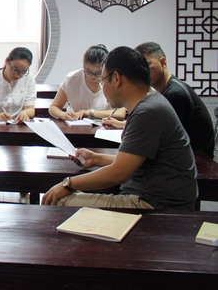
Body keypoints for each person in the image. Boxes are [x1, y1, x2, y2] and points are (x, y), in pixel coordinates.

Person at [42, 46, 198, 210]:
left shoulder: (147, 112)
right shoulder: (150, 103)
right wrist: (97, 158)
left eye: (103, 80)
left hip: (155, 204)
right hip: (152, 196)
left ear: (116, 79)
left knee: (58, 200)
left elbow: (119, 173)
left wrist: (68, 183)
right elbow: (132, 161)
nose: (102, 87)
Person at [135, 42, 215, 158]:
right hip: (185, 156)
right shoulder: (169, 89)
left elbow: (160, 136)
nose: (142, 71)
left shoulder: (176, 94)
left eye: (147, 65)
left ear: (163, 62)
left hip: (196, 161)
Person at [49, 44, 126, 121]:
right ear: (83, 66)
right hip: (75, 124)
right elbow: (53, 107)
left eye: (98, 73)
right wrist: (63, 115)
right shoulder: (72, 79)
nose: (93, 76)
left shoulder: (111, 80)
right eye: (88, 72)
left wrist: (89, 113)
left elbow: (120, 113)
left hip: (102, 125)